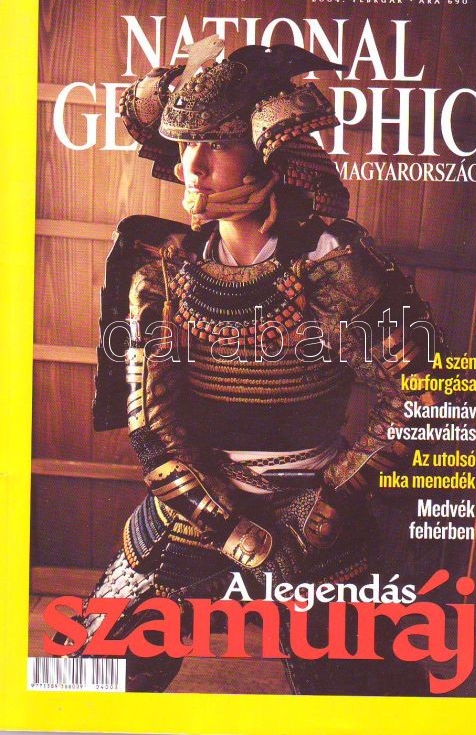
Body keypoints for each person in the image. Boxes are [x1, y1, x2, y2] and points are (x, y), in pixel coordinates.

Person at [83, 40, 446, 693]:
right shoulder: (160, 271)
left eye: (218, 143)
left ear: (268, 153)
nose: (193, 166)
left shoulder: (336, 266)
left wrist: (336, 497)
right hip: (196, 501)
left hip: (319, 503)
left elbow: (420, 392)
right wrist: (226, 524)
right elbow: (152, 428)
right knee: (91, 678)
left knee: (372, 698)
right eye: (185, 144)